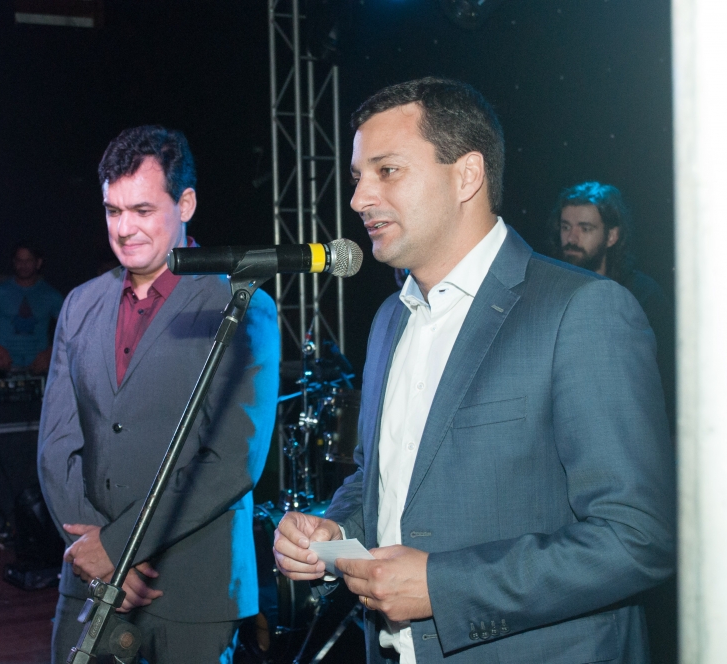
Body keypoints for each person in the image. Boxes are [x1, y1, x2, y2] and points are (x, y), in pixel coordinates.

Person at [273, 78, 674, 663]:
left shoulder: (582, 310)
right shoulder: (390, 319)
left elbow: (637, 538)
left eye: (387, 171)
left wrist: (443, 586)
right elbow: (380, 482)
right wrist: (335, 535)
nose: (359, 199)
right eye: (359, 177)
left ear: (467, 176)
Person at [38, 125, 279, 663]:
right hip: (89, 576)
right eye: (113, 211)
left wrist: (118, 549)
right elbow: (56, 447)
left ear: (185, 204)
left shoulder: (240, 303)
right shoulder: (79, 304)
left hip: (194, 586)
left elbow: (233, 460)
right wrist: (95, 556)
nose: (124, 229)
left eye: (142, 210)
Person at [551, 181, 675, 414]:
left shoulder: (643, 295)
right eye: (566, 227)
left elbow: (667, 376)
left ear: (611, 236)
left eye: (585, 229)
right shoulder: (549, 293)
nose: (571, 238)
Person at [0, 244, 63, 374]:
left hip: (39, 370)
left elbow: (69, 330)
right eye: (19, 260)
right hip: (5, 368)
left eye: (28, 261)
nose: (23, 265)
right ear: (14, 262)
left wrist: (50, 352)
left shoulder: (51, 295)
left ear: (38, 263)